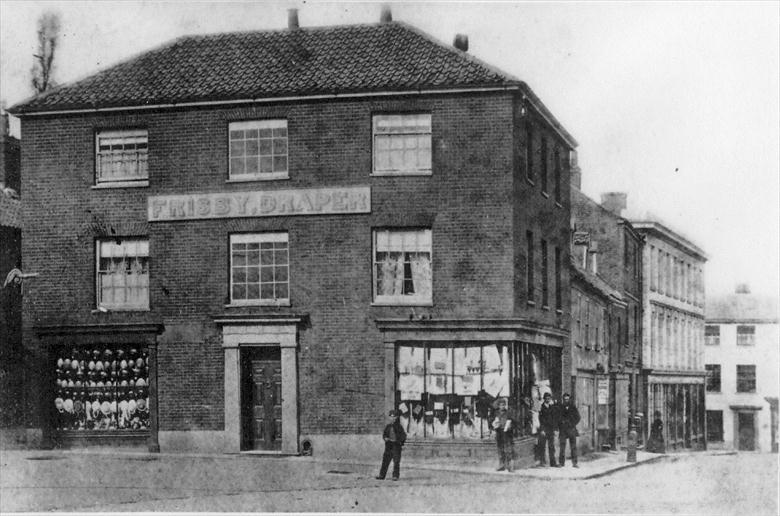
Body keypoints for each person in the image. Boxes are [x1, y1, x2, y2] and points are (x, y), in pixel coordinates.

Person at [376, 410, 406, 481]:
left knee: (396, 462)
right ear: (389, 417)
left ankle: (395, 476)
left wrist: (399, 442)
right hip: (388, 446)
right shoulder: (388, 426)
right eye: (391, 417)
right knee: (385, 461)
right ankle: (382, 475)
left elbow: (403, 436)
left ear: (397, 417)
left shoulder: (399, 426)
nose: (393, 418)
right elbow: (384, 434)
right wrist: (385, 438)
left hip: (396, 446)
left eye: (394, 417)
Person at [492, 397, 515, 472]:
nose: (502, 406)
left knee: (508, 449)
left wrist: (510, 426)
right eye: (501, 405)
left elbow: (513, 422)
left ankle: (509, 466)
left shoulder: (508, 413)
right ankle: (501, 465)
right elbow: (492, 421)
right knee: (500, 448)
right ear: (498, 406)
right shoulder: (496, 413)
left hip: (506, 432)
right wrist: (494, 424)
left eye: (503, 405)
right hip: (499, 432)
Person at [558, 393, 581, 467]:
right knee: (562, 446)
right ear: (563, 400)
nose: (566, 401)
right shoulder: (560, 407)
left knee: (573, 446)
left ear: (569, 399)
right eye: (565, 399)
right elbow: (557, 417)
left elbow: (578, 417)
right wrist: (561, 424)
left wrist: (572, 423)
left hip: (571, 429)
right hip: (563, 430)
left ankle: (575, 463)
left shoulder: (573, 407)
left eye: (567, 399)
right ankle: (561, 463)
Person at [537, 392, 559, 467]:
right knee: (542, 446)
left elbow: (554, 418)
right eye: (546, 398)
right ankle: (542, 462)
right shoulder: (541, 407)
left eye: (549, 398)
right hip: (544, 429)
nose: (548, 399)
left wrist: (555, 429)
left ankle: (553, 462)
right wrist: (542, 430)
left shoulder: (551, 407)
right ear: (544, 399)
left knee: (551, 446)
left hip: (550, 429)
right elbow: (540, 420)